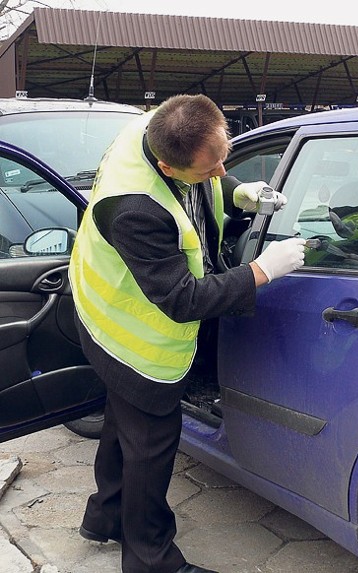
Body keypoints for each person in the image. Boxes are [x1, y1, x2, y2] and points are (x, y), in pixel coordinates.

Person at [68, 93, 305, 573]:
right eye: (208, 169)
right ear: (167, 167)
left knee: (122, 425)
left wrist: (239, 191)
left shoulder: (164, 127)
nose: (219, 171)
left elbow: (211, 175)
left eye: (225, 155)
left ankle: (104, 517)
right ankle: (151, 560)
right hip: (125, 332)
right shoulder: (136, 209)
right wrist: (260, 271)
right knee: (150, 448)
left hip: (112, 305)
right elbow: (181, 301)